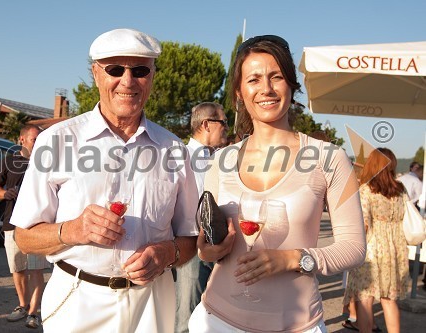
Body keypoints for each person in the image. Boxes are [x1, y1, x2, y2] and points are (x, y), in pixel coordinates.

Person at [9, 28, 199, 333]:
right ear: (96, 74)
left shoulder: (174, 149)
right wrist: (72, 229)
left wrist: (167, 253)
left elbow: (189, 239)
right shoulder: (56, 141)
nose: (128, 81)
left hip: (152, 302)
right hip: (78, 300)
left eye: (140, 70)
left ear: (152, 76)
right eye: (115, 70)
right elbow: (24, 237)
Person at [188, 35, 366, 333]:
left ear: (292, 85)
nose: (266, 89)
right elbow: (206, 249)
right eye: (254, 80)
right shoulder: (222, 160)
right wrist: (208, 250)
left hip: (297, 325)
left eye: (277, 77)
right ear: (240, 93)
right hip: (216, 320)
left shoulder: (330, 158)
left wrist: (294, 258)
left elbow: (354, 248)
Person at [174, 102, 228, 333]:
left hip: (221, 249)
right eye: (224, 123)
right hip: (191, 251)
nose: (227, 128)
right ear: (207, 124)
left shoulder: (223, 160)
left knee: (216, 318)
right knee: (187, 317)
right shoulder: (178, 157)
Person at [343, 148, 410, 333]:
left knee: (365, 299)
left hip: (372, 250)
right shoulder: (400, 190)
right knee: (389, 300)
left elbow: (363, 225)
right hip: (395, 250)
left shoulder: (366, 190)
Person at [0, 124, 49, 329]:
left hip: (38, 224)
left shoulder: (46, 162)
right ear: (22, 140)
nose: (39, 143)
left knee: (36, 269)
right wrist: (4, 194)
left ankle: (34, 313)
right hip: (12, 222)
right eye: (35, 139)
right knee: (18, 268)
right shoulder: (9, 161)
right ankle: (22, 306)